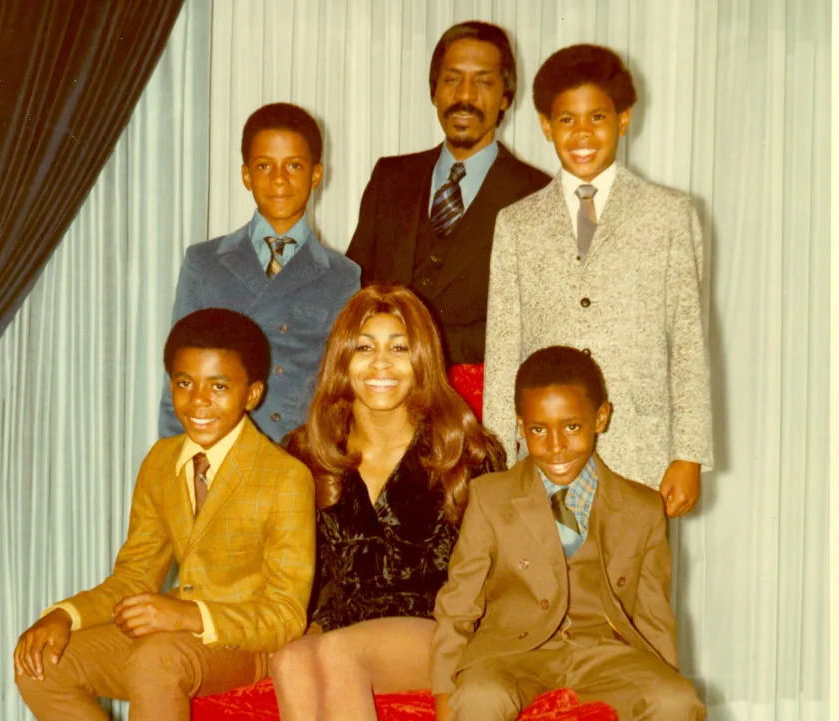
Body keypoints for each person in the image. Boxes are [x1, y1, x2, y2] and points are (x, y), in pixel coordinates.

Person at [14, 308, 316, 720]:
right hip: (171, 644)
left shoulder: (286, 478)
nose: (198, 402)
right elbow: (134, 577)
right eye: (184, 383)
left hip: (248, 648)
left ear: (252, 394)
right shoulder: (160, 461)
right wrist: (64, 615)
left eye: (219, 386)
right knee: (42, 664)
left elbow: (285, 616)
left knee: (156, 656)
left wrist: (188, 616)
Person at [483, 44, 712, 517]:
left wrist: (688, 454)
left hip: (641, 456)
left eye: (598, 118)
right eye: (567, 120)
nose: (582, 134)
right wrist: (500, 458)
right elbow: (503, 347)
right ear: (546, 126)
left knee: (634, 585)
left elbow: (687, 339)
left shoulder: (669, 214)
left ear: (624, 119)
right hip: (545, 457)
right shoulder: (516, 223)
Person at [431, 346, 706, 721]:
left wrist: (664, 675)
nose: (556, 446)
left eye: (572, 426)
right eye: (538, 429)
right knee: (480, 696)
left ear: (601, 417)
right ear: (520, 424)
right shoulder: (490, 498)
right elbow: (458, 605)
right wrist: (446, 693)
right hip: (512, 653)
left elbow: (654, 615)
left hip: (606, 654)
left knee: (677, 700)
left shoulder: (643, 508)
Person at [270, 284, 505, 721]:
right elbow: (298, 571)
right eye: (364, 347)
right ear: (343, 360)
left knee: (340, 651)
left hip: (438, 629)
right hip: (340, 625)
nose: (381, 363)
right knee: (288, 659)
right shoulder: (306, 453)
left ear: (422, 362)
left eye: (399, 348)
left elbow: (496, 574)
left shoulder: (467, 453)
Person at [346, 21, 549, 366]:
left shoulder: (538, 195)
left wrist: (420, 345)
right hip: (383, 391)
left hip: (476, 401)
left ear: (505, 98)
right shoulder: (389, 177)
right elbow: (354, 287)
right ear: (434, 91)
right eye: (452, 79)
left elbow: (531, 323)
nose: (465, 96)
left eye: (483, 81)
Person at [159, 102, 360, 444]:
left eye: (293, 166)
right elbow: (178, 376)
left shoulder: (343, 276)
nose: (279, 179)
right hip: (221, 455)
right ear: (246, 175)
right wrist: (173, 462)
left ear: (316, 174)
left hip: (303, 461)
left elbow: (343, 393)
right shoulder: (204, 263)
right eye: (264, 166)